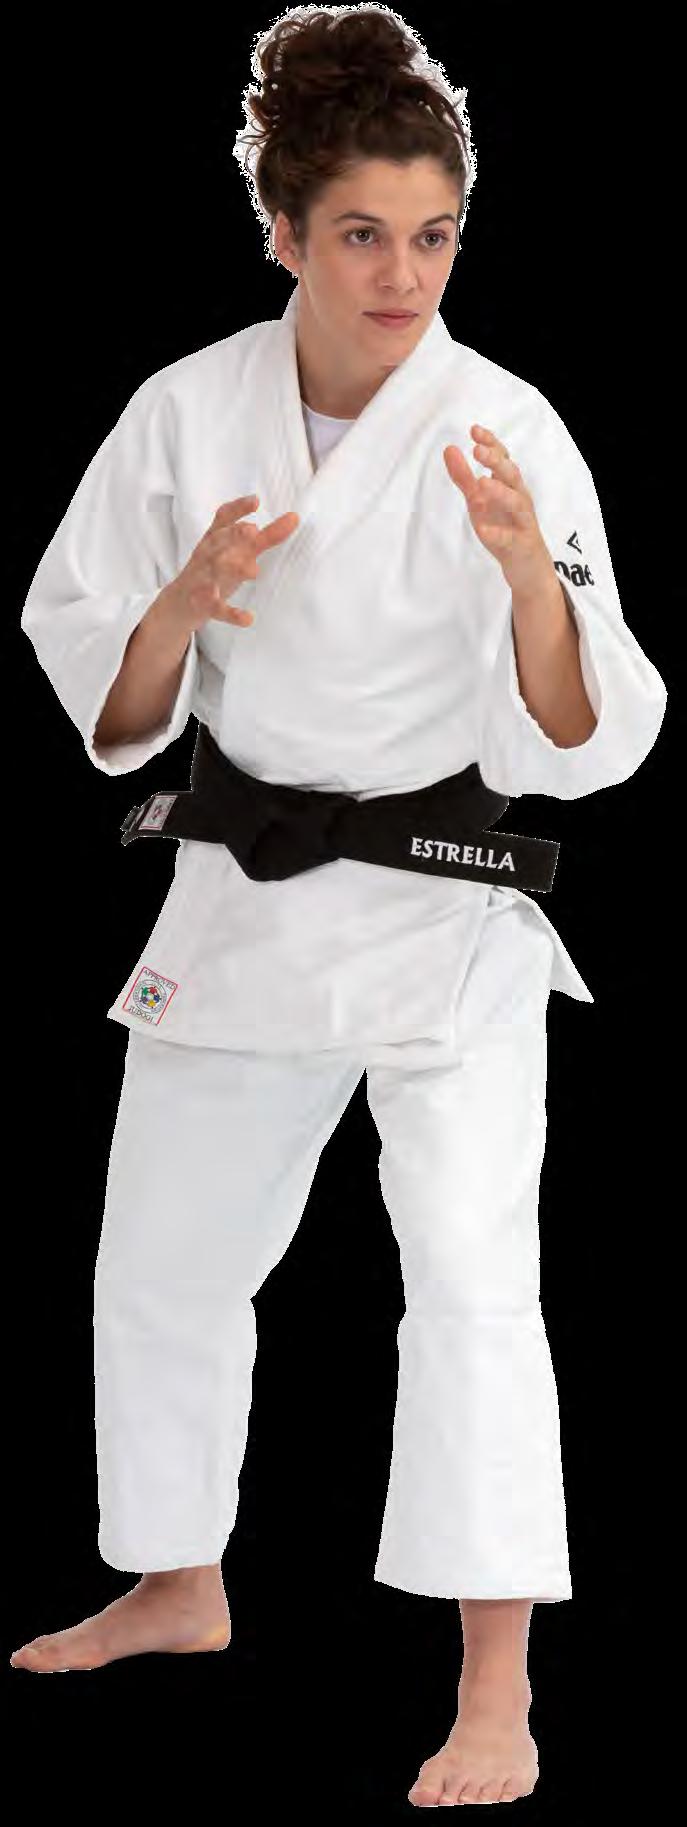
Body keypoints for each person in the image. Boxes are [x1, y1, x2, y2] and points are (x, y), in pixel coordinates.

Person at [11, 3, 667, 1809]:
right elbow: (103, 682)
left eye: (434, 235)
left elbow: (584, 728)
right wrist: (183, 600)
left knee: (470, 1279)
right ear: (284, 232)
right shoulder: (186, 410)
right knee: (162, 1257)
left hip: (444, 913)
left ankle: (496, 1684)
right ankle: (178, 1582)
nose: (403, 275)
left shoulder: (506, 425)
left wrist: (529, 580)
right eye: (362, 234)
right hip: (244, 886)